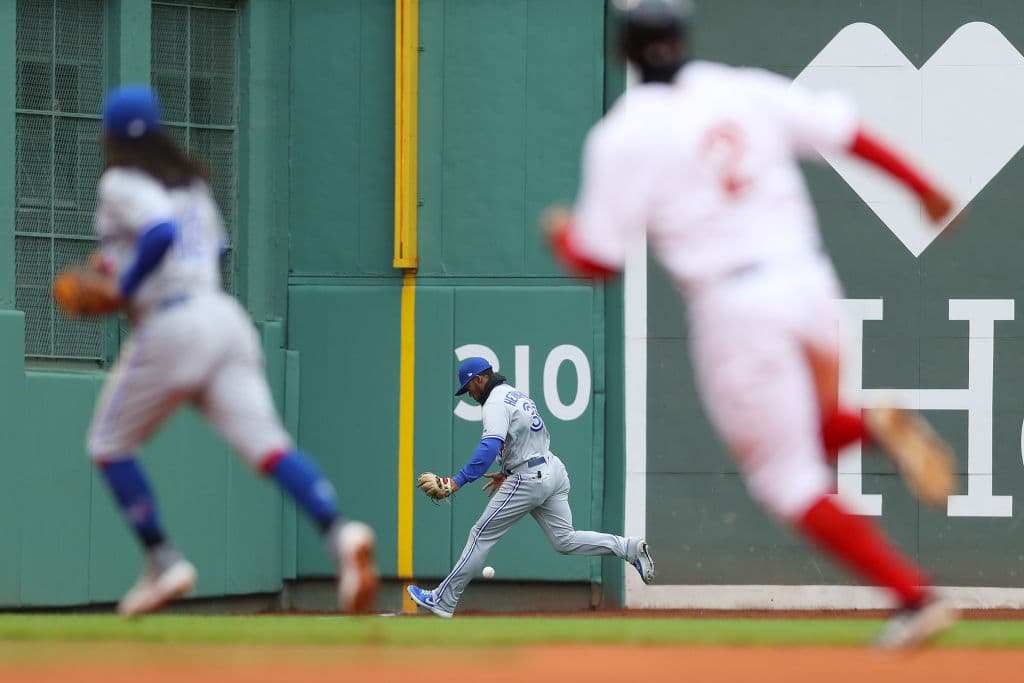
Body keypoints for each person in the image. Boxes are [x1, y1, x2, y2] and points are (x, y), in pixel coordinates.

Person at [544, 0, 959, 648]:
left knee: (785, 478)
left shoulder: (622, 134)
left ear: (621, 49)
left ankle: (912, 597)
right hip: (811, 283)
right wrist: (921, 185)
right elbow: (843, 130)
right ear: (683, 37)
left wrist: (562, 233)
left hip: (737, 306)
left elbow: (596, 260)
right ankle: (873, 423)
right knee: (811, 434)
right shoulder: (740, 88)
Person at [80, 84, 378, 616]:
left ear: (108, 136)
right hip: (222, 317)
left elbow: (158, 236)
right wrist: (117, 271)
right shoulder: (190, 182)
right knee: (270, 446)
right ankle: (340, 534)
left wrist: (125, 290)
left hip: (173, 324)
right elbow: (199, 247)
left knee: (108, 444)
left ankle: (163, 560)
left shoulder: (122, 180)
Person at [406, 356, 655, 617]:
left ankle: (443, 600)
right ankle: (627, 547)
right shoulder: (515, 394)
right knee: (564, 540)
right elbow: (528, 435)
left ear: (479, 379)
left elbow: (489, 446)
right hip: (551, 469)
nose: (468, 393)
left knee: (480, 535)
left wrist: (456, 481)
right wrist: (506, 471)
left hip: (528, 478)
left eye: (469, 387)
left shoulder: (494, 403)